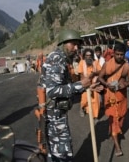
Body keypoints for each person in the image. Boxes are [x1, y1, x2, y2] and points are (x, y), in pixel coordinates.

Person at [39, 29, 102, 161]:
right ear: (63, 44)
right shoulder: (57, 59)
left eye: (78, 45)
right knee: (62, 154)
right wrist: (80, 85)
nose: (76, 48)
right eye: (73, 44)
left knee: (60, 153)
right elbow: (52, 90)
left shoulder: (63, 59)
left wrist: (87, 87)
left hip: (59, 115)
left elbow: (65, 88)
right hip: (54, 118)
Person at [97, 43, 129, 157]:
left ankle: (114, 132)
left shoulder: (127, 66)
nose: (119, 57)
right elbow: (100, 77)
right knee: (113, 120)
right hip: (110, 97)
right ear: (113, 53)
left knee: (121, 117)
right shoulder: (107, 64)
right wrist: (107, 84)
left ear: (124, 54)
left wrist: (126, 84)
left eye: (121, 55)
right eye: (117, 54)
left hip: (121, 97)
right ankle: (117, 146)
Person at [77, 48, 102, 122]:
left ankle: (95, 117)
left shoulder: (96, 62)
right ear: (84, 56)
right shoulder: (81, 62)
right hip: (86, 84)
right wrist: (86, 83)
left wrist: (94, 74)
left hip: (94, 84)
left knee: (96, 101)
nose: (89, 57)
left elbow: (100, 71)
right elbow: (81, 74)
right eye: (87, 55)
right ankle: (82, 108)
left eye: (90, 55)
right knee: (85, 100)